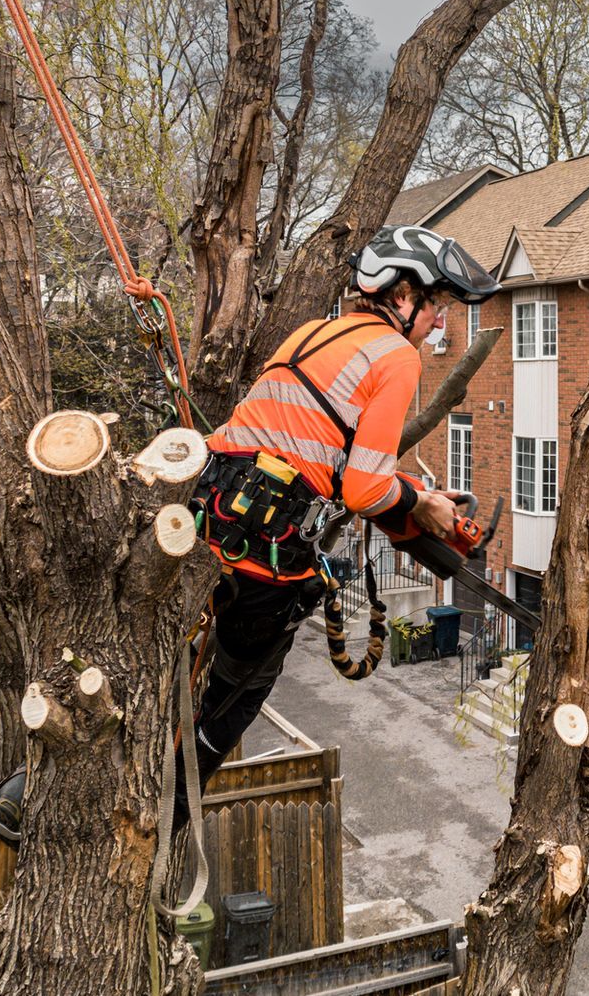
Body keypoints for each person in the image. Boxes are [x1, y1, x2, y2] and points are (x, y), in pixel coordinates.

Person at [133, 224, 500, 812]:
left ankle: (37, 791)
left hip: (207, 517)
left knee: (152, 664)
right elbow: (361, 488)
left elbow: (307, 443)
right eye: (437, 306)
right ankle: (164, 816)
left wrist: (408, 493)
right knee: (237, 692)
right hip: (264, 554)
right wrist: (420, 503)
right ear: (402, 297)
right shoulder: (397, 357)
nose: (440, 324)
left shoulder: (312, 333)